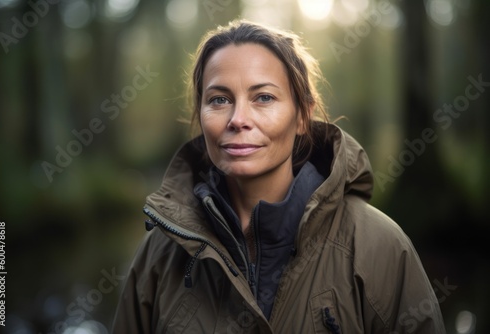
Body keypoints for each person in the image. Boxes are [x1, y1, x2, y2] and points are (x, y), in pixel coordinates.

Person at [112, 20, 446, 333]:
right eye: (219, 99)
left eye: (264, 98)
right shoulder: (159, 254)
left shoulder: (378, 246)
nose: (238, 119)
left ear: (302, 116)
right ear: (200, 116)